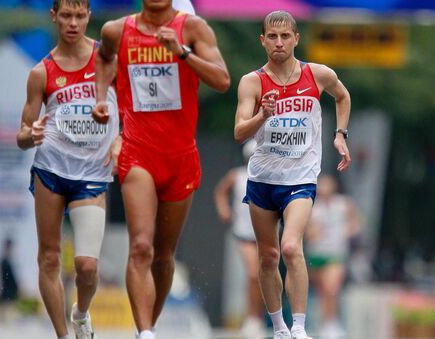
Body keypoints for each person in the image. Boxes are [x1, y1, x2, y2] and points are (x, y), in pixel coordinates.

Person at [92, 1, 230, 338]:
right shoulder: (116, 30)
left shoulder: (194, 29)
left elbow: (223, 80)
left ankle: (148, 325)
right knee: (141, 245)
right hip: (138, 151)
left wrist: (181, 52)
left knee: (164, 255)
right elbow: (104, 58)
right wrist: (101, 97)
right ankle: (145, 333)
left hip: (180, 156)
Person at [233, 10, 351, 339]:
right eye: (272, 36)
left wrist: (341, 134)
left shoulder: (318, 74)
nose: (279, 42)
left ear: (297, 39)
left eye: (286, 36)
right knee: (268, 256)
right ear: (263, 40)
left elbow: (343, 96)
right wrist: (262, 115)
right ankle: (279, 328)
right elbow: (240, 132)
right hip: (262, 179)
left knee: (290, 247)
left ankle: (299, 327)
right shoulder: (252, 81)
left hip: (300, 178)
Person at [16, 0, 120, 338]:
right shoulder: (41, 72)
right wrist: (28, 136)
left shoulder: (109, 59)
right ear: (54, 17)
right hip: (50, 170)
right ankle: (62, 334)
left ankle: (81, 313)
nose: (73, 23)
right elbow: (22, 132)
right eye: (66, 16)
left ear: (89, 16)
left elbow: (134, 110)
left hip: (92, 173)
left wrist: (121, 141)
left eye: (79, 15)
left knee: (86, 267)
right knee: (49, 258)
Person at [214, 140, 266, 339]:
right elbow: (220, 191)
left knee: (264, 276)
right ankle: (252, 318)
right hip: (244, 232)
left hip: (264, 233)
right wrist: (224, 209)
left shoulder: (269, 175)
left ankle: (259, 317)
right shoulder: (237, 175)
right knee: (254, 274)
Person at [306, 174, 361, 339]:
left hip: (336, 253)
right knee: (322, 291)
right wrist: (313, 232)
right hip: (316, 253)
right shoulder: (312, 206)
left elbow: (356, 224)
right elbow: (307, 231)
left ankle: (332, 323)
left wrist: (347, 231)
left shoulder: (344, 204)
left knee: (332, 288)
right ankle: (324, 323)